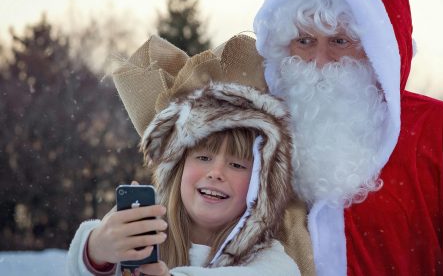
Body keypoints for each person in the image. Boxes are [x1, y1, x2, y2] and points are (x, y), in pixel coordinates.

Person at [253, 0, 443, 275]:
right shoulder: (251, 135)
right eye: (305, 41)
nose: (320, 61)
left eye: (339, 41)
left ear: (377, 49)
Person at [67, 34, 300, 276]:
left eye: (237, 164)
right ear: (178, 167)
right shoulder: (142, 239)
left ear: (260, 186)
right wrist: (96, 251)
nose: (216, 173)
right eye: (203, 158)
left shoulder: (272, 262)